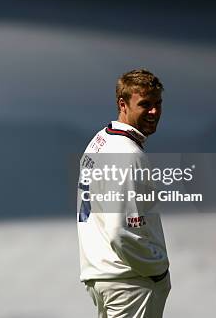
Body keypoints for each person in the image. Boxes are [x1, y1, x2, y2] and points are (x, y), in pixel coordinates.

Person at [77, 69, 170, 318]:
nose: (154, 112)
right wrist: (157, 270)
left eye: (157, 103)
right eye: (145, 104)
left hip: (105, 276)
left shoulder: (101, 140)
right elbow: (122, 232)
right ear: (123, 104)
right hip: (130, 282)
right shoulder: (126, 154)